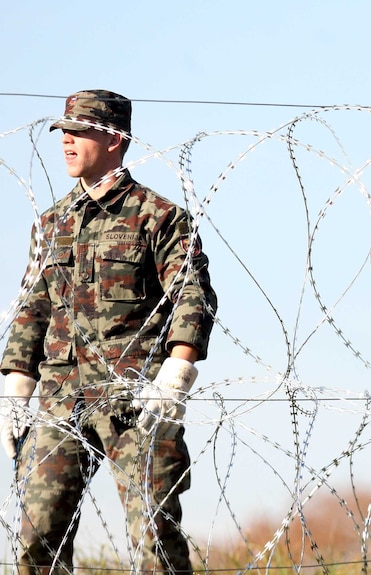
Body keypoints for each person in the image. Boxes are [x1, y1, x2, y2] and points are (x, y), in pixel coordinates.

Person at [0, 90, 218, 574]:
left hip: (134, 400)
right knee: (38, 542)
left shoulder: (159, 217)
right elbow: (33, 306)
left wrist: (178, 370)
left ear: (115, 139)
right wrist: (16, 385)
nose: (68, 142)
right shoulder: (52, 223)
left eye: (80, 132)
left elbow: (192, 294)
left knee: (155, 542)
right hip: (60, 400)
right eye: (64, 133)